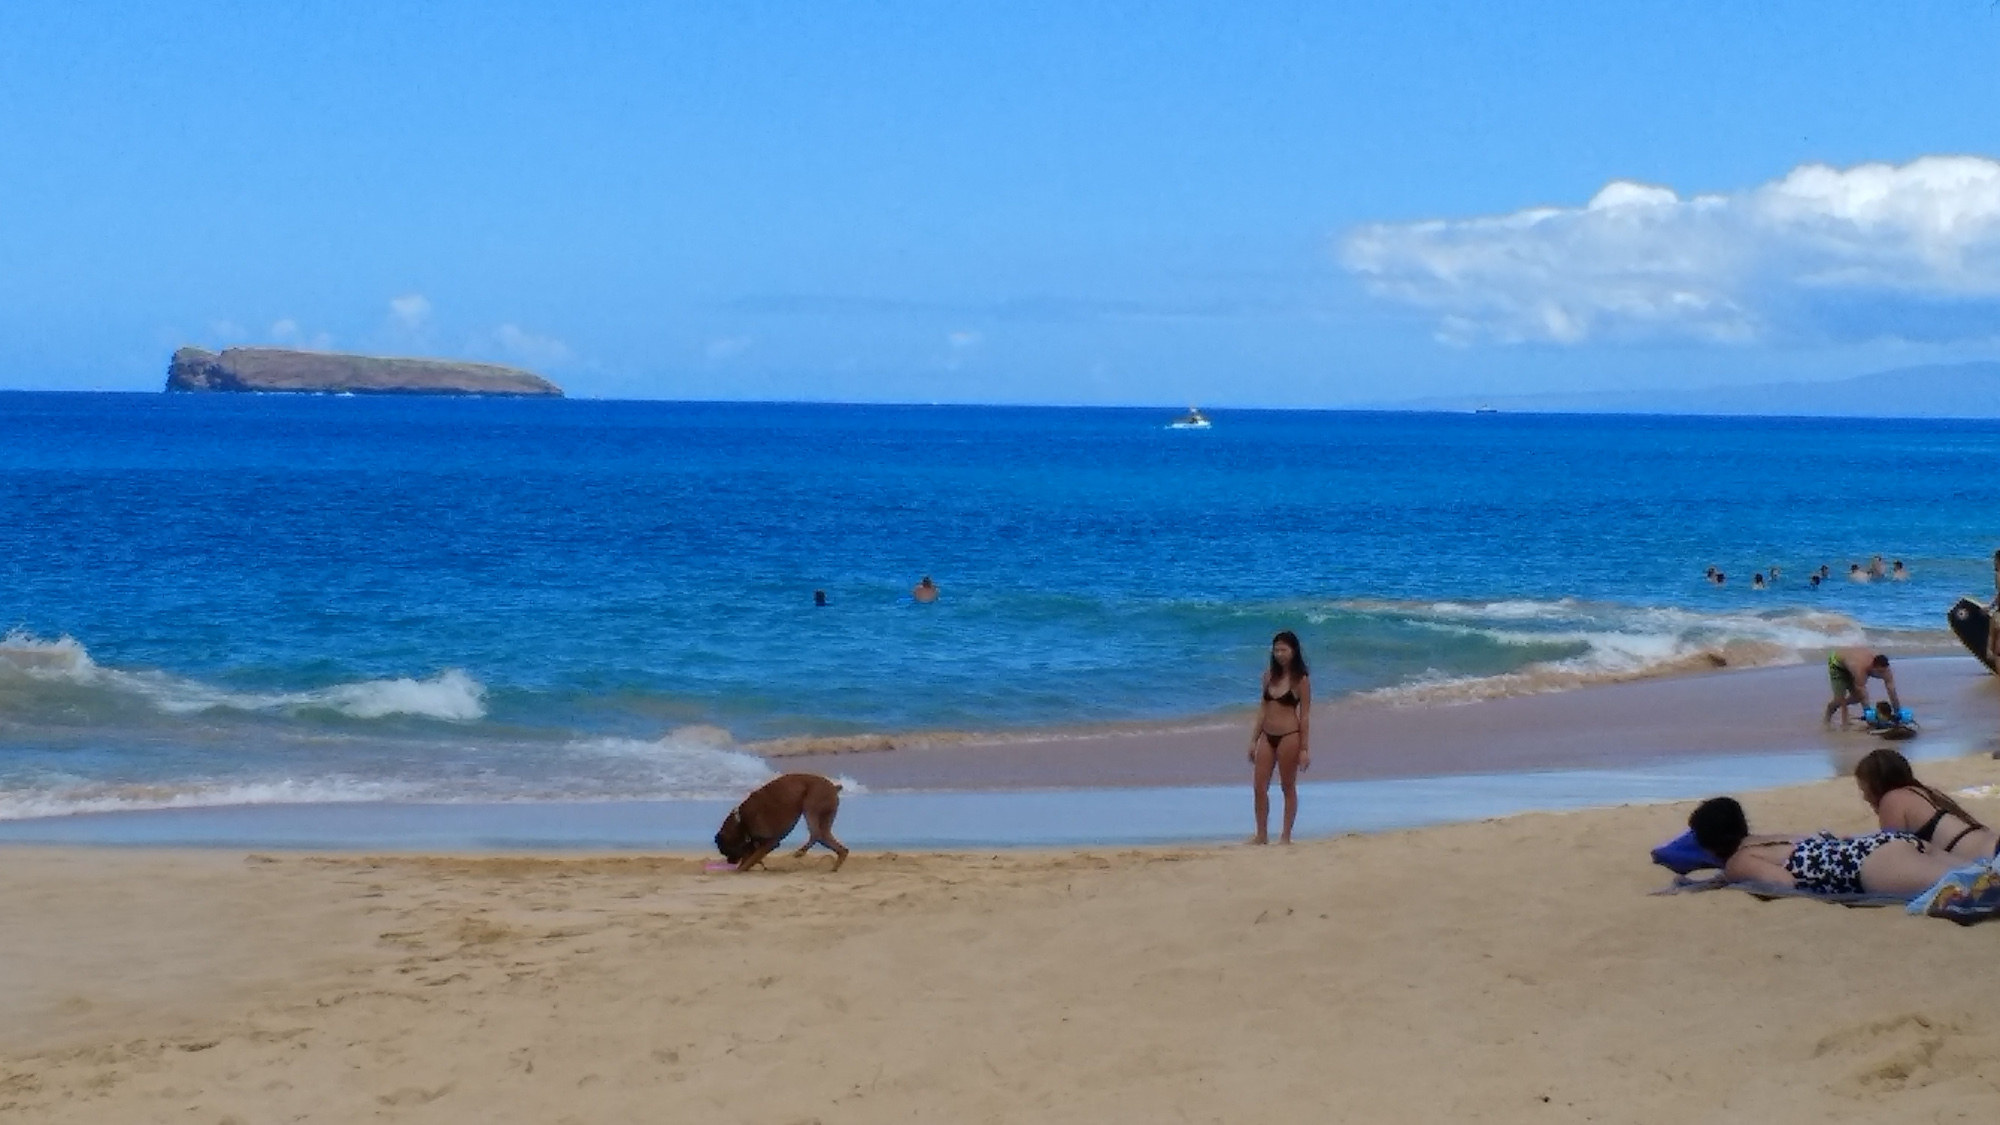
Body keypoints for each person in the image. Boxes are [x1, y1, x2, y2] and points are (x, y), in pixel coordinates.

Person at [1688, 796, 1964, 897]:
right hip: (1881, 844)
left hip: (1867, 865)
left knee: (1976, 887)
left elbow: (1783, 883)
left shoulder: (1740, 860)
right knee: (1982, 874)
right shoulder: (1768, 839)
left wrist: (1740, 881)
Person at [1854, 748, 1998, 859]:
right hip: (1993, 848)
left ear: (1876, 785)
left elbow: (1893, 854)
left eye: (1864, 789)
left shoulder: (1892, 800)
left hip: (1989, 861)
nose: (1865, 797)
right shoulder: (1926, 792)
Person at [1246, 630, 1311, 846]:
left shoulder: (1300, 680)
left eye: (1284, 650)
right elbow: (1262, 709)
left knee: (1287, 786)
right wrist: (1253, 740)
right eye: (1276, 650)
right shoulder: (1268, 676)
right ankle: (1261, 834)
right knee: (1259, 786)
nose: (1280, 654)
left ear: (1294, 651)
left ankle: (1285, 836)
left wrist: (1304, 749)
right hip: (1267, 735)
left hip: (1289, 736)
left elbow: (1305, 716)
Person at [1823, 647, 1900, 727]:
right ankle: (1828, 716)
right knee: (1839, 699)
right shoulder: (1860, 669)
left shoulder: (1886, 669)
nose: (1882, 674)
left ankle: (1843, 705)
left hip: (1851, 661)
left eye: (1884, 671)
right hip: (1837, 665)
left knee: (1857, 697)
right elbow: (1863, 693)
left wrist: (1898, 711)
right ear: (1873, 667)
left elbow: (1892, 690)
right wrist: (1868, 713)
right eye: (1880, 672)